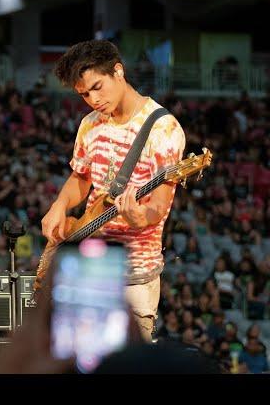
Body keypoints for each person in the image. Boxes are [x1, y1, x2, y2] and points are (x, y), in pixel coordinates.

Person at [36, 40, 186, 342]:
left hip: (134, 276)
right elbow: (81, 178)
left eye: (97, 87)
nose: (92, 99)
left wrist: (138, 216)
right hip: (88, 265)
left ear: (118, 71)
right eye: (83, 94)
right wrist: (59, 205)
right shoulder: (90, 124)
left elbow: (158, 208)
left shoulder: (163, 129)